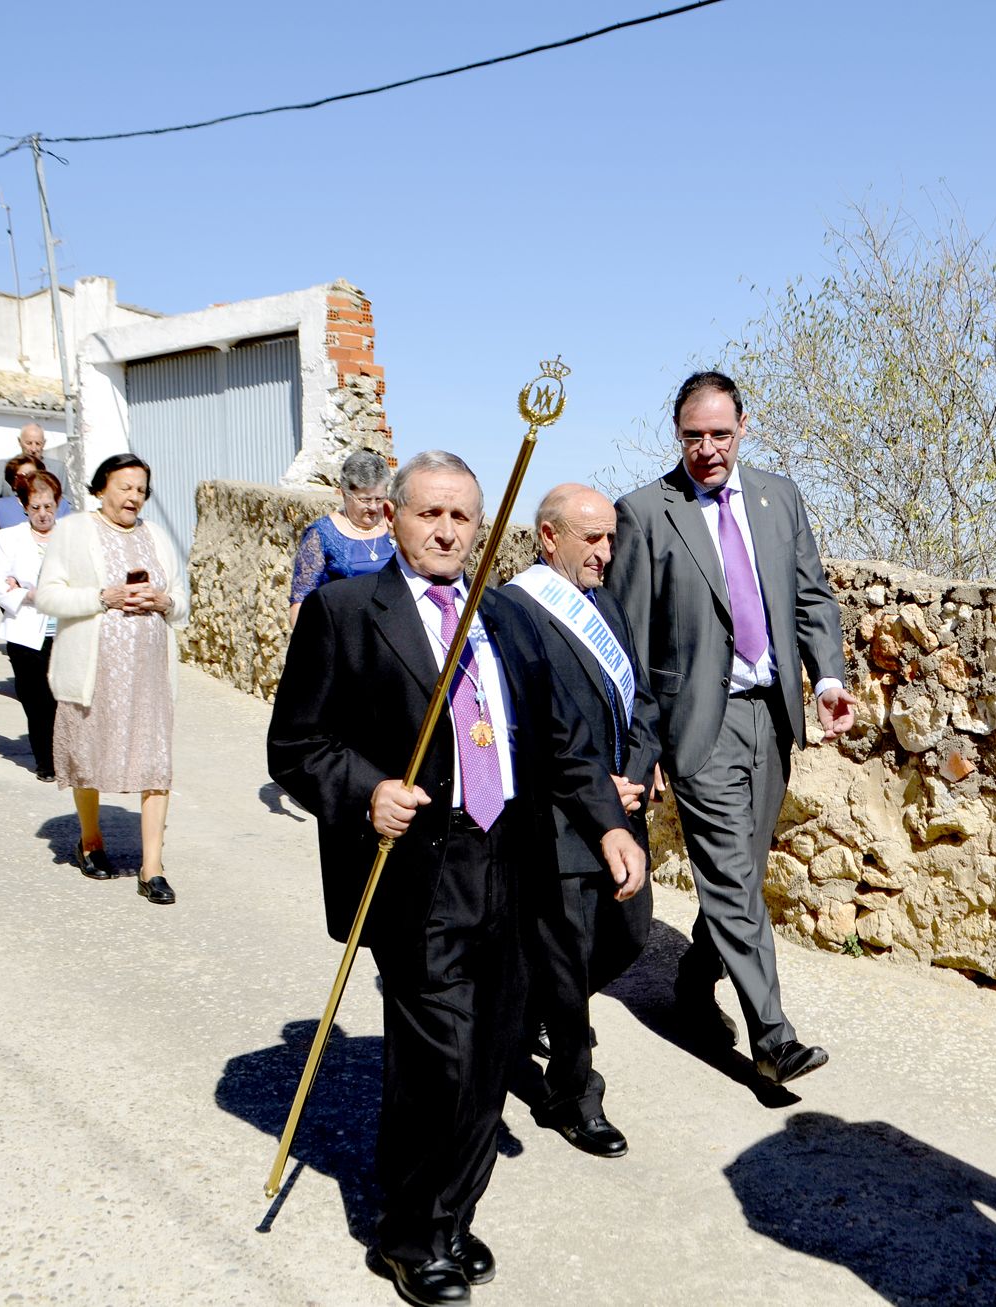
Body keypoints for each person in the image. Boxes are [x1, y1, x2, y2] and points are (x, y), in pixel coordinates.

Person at [268, 450, 643, 1306]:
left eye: (461, 517)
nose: (444, 531)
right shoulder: (344, 612)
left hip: (511, 866)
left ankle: (450, 1214)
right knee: (437, 1060)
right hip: (416, 872)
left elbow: (559, 742)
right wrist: (366, 790)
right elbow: (297, 744)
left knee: (490, 1054)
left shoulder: (506, 618)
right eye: (428, 513)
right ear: (392, 516)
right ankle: (408, 1235)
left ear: (481, 527)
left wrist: (609, 824)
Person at [608, 370, 859, 1085]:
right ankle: (773, 1038)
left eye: (720, 433)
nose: (708, 449)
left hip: (771, 717)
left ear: (743, 428)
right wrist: (643, 745)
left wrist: (828, 679)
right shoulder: (645, 512)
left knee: (738, 875)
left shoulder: (780, 498)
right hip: (698, 726)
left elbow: (811, 598)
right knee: (730, 876)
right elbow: (629, 640)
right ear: (677, 434)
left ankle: (693, 982)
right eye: (694, 436)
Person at [500, 483, 660, 1158]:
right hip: (560, 820)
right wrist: (597, 788)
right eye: (591, 538)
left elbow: (642, 700)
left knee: (628, 934)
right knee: (566, 960)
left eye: (610, 538)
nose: (605, 552)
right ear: (548, 536)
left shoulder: (606, 604)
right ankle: (571, 1094)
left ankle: (527, 1009)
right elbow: (528, 727)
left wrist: (638, 769)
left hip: (622, 808)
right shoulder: (514, 610)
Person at [35, 453, 189, 904]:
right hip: (93, 673)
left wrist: (163, 602)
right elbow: (47, 596)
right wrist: (104, 597)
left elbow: (182, 600)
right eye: (124, 487)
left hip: (149, 675)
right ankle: (90, 840)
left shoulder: (157, 536)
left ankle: (152, 867)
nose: (133, 496)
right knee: (89, 755)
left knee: (155, 763)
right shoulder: (73, 531)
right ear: (101, 488)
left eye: (140, 489)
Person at [0, 471, 66, 782]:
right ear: (23, 505)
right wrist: (25, 594)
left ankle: (69, 756)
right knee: (36, 699)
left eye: (49, 507)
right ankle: (46, 761)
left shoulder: (70, 537)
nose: (43, 514)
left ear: (58, 503)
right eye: (35, 508)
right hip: (26, 631)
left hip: (66, 630)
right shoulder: (8, 538)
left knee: (65, 698)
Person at [288, 449, 395, 625]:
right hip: (343, 632)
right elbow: (301, 601)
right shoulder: (321, 535)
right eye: (365, 500)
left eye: (379, 499)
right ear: (345, 494)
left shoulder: (394, 525)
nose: (374, 507)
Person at [0, 422, 71, 502]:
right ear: (19, 442)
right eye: (29, 443)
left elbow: (68, 503)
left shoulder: (58, 469)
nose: (33, 449)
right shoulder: (2, 467)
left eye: (38, 444)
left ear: (44, 443)